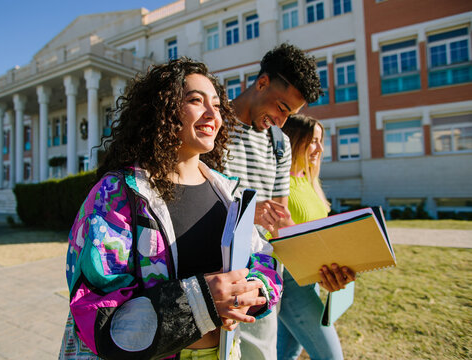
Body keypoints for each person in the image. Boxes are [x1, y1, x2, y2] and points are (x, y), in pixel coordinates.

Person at [58, 58, 283, 360]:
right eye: (195, 100)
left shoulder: (228, 191)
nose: (212, 115)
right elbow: (98, 310)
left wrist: (252, 290)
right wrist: (200, 301)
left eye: (217, 105)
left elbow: (262, 260)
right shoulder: (117, 195)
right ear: (162, 111)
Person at [222, 43, 352, 360]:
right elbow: (186, 200)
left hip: (262, 280)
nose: (281, 121)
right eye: (281, 107)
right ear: (262, 83)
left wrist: (323, 263)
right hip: (214, 277)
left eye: (290, 114)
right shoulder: (213, 124)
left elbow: (280, 223)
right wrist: (247, 213)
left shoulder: (280, 143)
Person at [278, 114, 356, 359]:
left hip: (313, 277)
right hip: (291, 281)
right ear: (293, 141)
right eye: (313, 141)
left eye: (321, 141)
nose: (320, 148)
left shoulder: (310, 181)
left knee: (287, 353)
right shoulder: (278, 184)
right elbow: (275, 236)